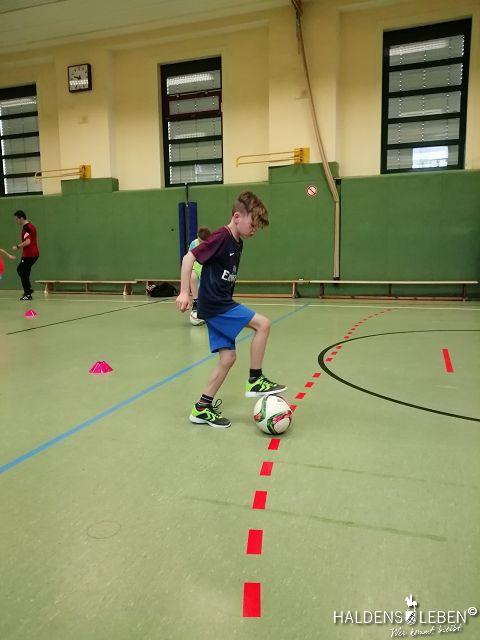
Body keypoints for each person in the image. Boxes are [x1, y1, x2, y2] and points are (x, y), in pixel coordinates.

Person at [175, 191, 287, 428]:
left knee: (227, 358)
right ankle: (255, 379)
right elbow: (188, 258)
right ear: (237, 217)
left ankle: (201, 408)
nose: (254, 230)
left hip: (218, 303)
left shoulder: (238, 243)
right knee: (263, 324)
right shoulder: (221, 237)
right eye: (252, 224)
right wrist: (184, 292)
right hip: (217, 304)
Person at [12, 210, 39, 301]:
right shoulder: (30, 226)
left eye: (17, 219)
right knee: (24, 272)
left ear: (21, 218)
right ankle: (28, 290)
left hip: (29, 255)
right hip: (32, 254)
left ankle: (27, 294)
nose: (16, 221)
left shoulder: (27, 228)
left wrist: (17, 246)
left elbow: (28, 242)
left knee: (22, 271)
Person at [188, 226, 211, 324]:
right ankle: (196, 301)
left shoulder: (211, 244)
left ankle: (208, 307)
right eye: (201, 241)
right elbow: (189, 258)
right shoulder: (194, 244)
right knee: (193, 277)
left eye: (204, 242)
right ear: (197, 236)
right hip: (197, 266)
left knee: (205, 288)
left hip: (206, 267)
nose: (202, 244)